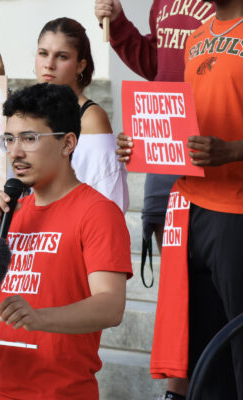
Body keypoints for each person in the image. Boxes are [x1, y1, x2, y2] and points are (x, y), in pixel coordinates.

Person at [0, 83, 133, 400]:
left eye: (30, 138)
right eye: (10, 139)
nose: (15, 151)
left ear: (67, 143)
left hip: (62, 392)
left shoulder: (98, 212)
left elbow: (111, 307)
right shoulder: (11, 212)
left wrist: (40, 317)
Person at [94, 1, 214, 398]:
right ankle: (179, 387)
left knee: (219, 286)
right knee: (179, 283)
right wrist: (119, 24)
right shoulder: (163, 3)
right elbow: (156, 61)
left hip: (216, 151)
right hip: (166, 153)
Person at [150, 0, 243, 398]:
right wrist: (141, 143)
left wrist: (235, 151)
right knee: (200, 340)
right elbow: (185, 122)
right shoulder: (195, 38)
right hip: (188, 204)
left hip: (235, 208)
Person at [0, 17, 128, 212]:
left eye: (62, 56)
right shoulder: (31, 109)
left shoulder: (91, 119)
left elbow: (108, 195)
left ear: (81, 65)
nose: (49, 64)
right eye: (43, 53)